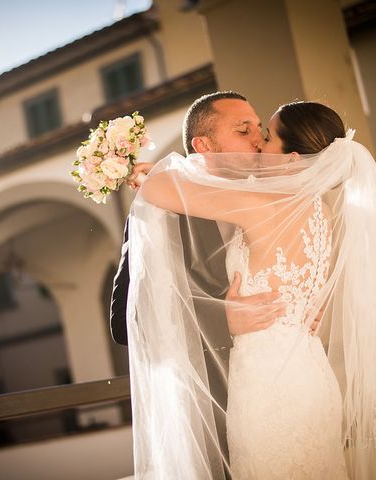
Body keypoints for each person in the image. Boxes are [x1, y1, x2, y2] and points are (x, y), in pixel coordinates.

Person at [125, 100, 376, 479]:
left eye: (266, 136)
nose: (257, 143)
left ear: (291, 159)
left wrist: (150, 170)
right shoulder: (320, 213)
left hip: (269, 390)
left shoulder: (261, 204)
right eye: (249, 131)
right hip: (311, 376)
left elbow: (157, 188)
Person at [110, 91, 299, 476]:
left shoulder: (275, 201)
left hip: (283, 394)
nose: (258, 139)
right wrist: (221, 320)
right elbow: (123, 323)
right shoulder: (158, 213)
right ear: (203, 146)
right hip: (210, 407)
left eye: (260, 129)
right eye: (243, 130)